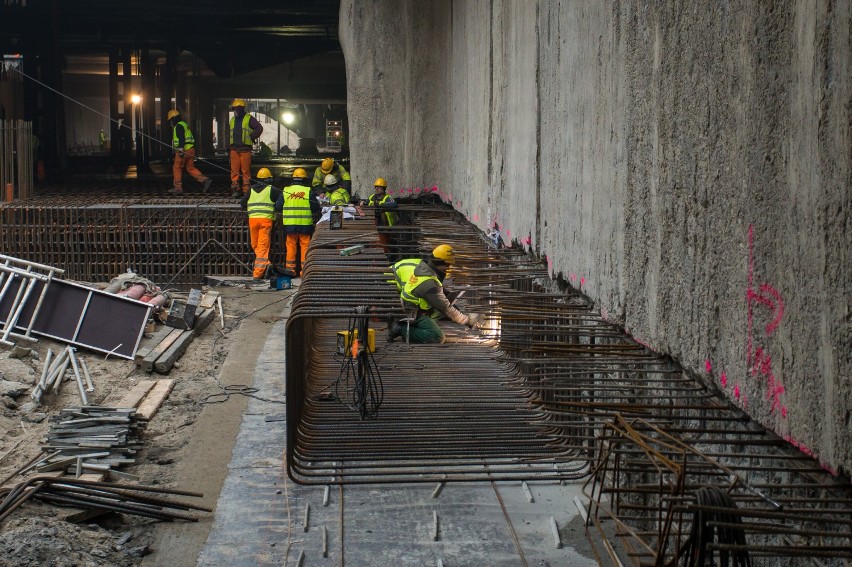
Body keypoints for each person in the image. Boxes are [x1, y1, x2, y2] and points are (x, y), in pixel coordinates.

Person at [387, 244, 481, 344]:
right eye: (448, 265)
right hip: (411, 312)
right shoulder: (429, 283)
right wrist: (467, 320)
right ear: (441, 263)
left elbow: (439, 297)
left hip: (410, 307)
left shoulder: (424, 269)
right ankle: (399, 329)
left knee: (442, 310)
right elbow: (446, 308)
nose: (448, 269)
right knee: (437, 337)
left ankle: (411, 325)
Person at [240, 168, 282, 281]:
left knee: (256, 245)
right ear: (268, 179)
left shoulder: (250, 190)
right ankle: (262, 270)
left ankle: (260, 270)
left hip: (253, 220)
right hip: (265, 221)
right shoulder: (271, 189)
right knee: (261, 247)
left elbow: (242, 203)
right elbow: (281, 200)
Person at [278, 168, 320, 277]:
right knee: (305, 247)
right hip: (305, 225)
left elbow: (278, 207)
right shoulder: (308, 191)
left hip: (290, 225)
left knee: (291, 247)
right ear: (304, 179)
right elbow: (315, 207)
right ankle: (304, 271)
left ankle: (290, 271)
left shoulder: (286, 190)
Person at [166, 109, 212, 194]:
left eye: (171, 120)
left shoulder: (178, 126)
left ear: (173, 118)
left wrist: (180, 150)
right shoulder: (184, 124)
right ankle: (204, 180)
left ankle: (178, 188)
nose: (171, 122)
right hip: (191, 150)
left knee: (177, 168)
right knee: (189, 168)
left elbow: (181, 138)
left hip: (184, 150)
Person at [228, 98, 263, 198]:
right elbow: (230, 134)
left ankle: (246, 191)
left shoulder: (249, 118)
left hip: (245, 149)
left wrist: (252, 136)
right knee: (234, 171)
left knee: (245, 172)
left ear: (242, 108)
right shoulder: (233, 120)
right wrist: (229, 148)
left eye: (238, 108)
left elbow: (259, 128)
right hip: (234, 149)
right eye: (235, 108)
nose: (236, 110)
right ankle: (235, 189)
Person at [363, 177, 399, 253]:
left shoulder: (387, 197)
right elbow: (366, 202)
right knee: (372, 243)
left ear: (384, 189)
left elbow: (394, 204)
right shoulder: (372, 196)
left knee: (382, 244)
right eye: (376, 187)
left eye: (379, 187)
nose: (377, 189)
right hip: (371, 224)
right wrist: (362, 202)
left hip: (383, 225)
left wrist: (380, 205)